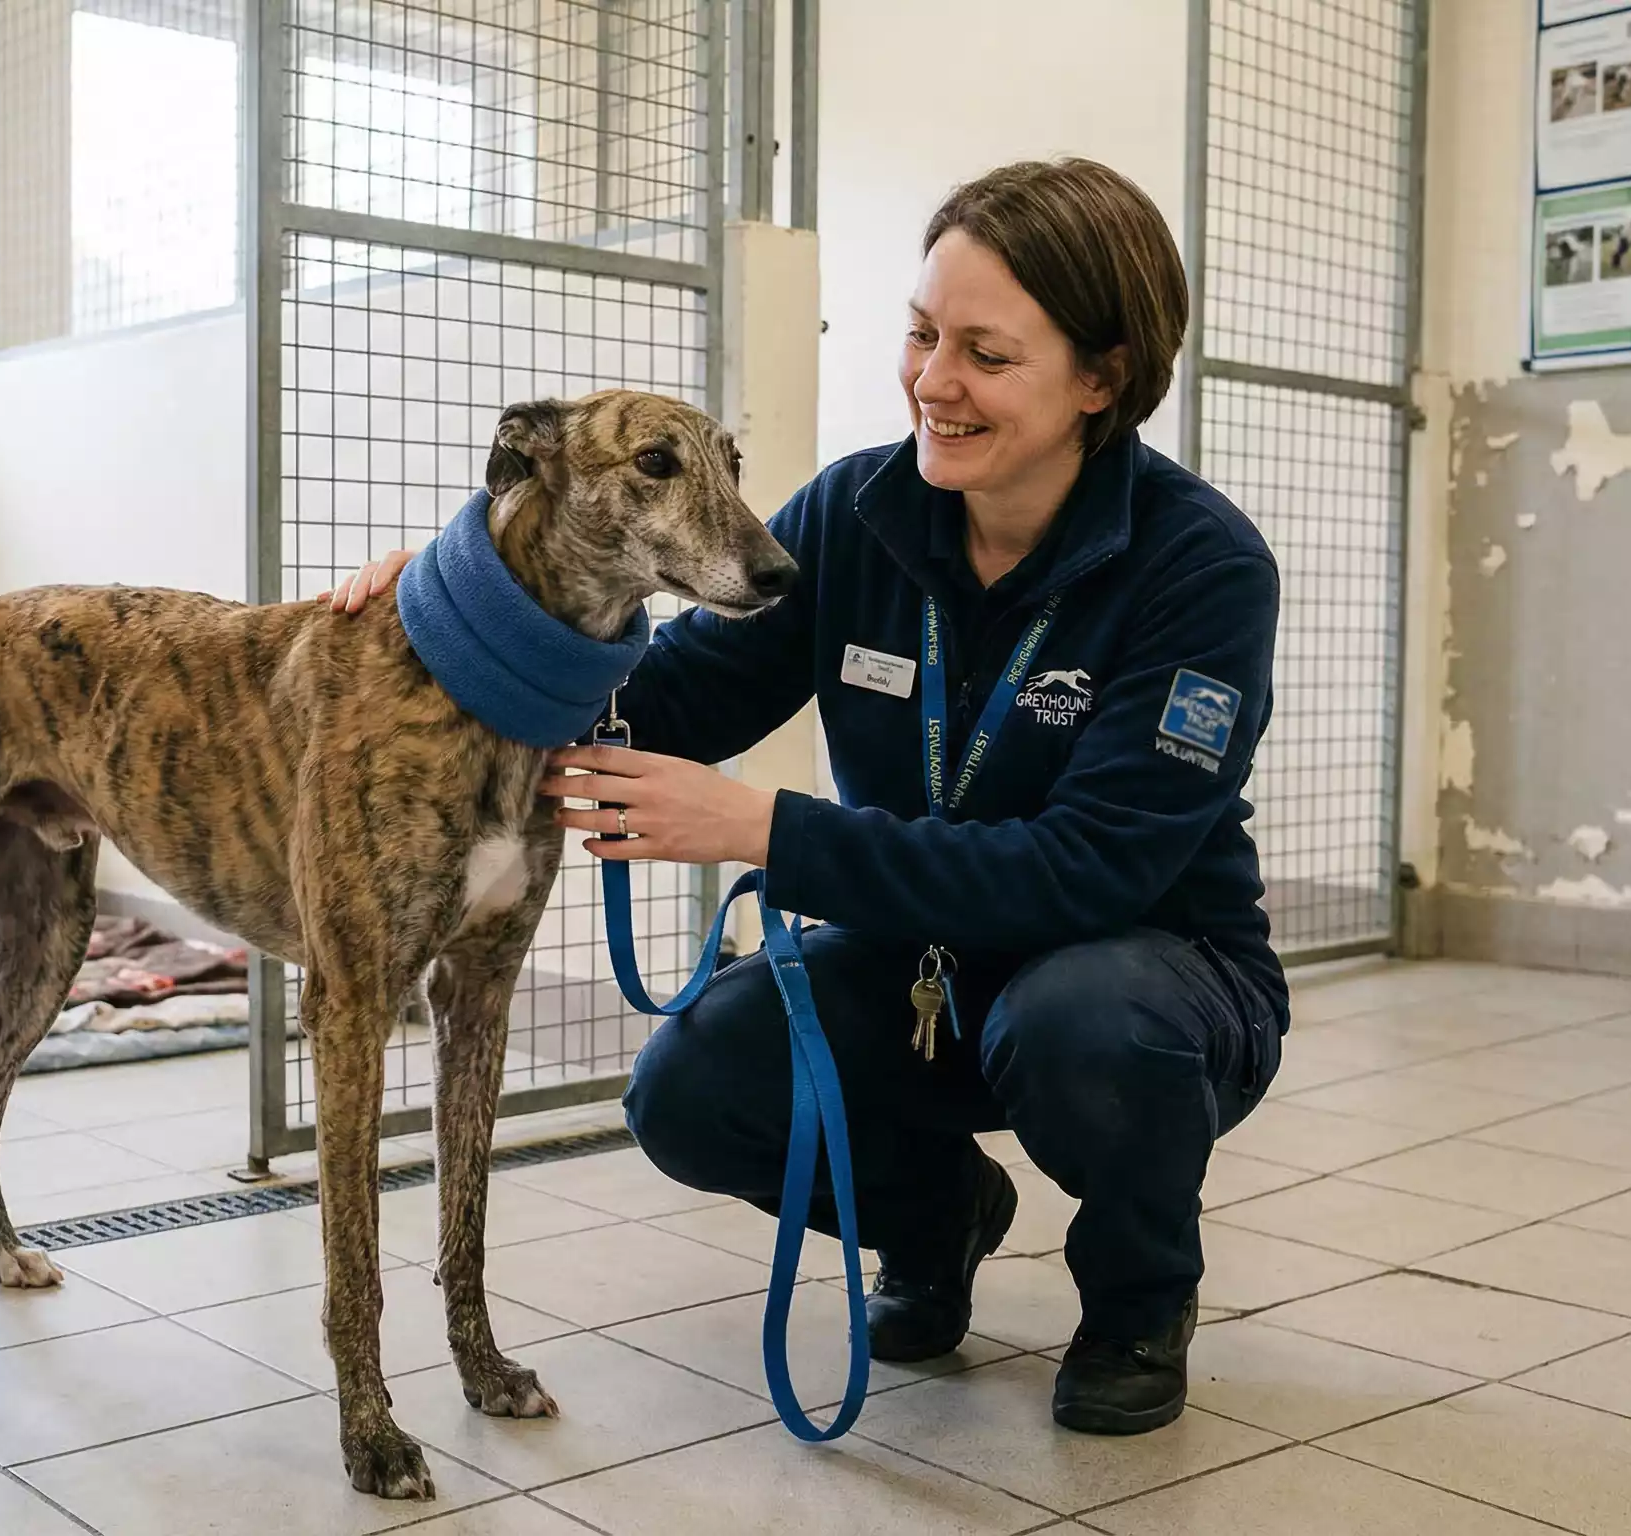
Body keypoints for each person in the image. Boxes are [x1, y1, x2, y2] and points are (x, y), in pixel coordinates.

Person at [328, 158, 1286, 1436]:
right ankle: (933, 1221)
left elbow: (1088, 870)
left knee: (1085, 1021)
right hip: (919, 965)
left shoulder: (1199, 567)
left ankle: (1135, 1299)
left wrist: (764, 830)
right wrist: (467, 602)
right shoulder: (859, 512)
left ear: (1101, 379)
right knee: (690, 1082)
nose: (932, 383)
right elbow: (654, 701)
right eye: (921, 334)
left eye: (986, 355)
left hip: (1143, 973)